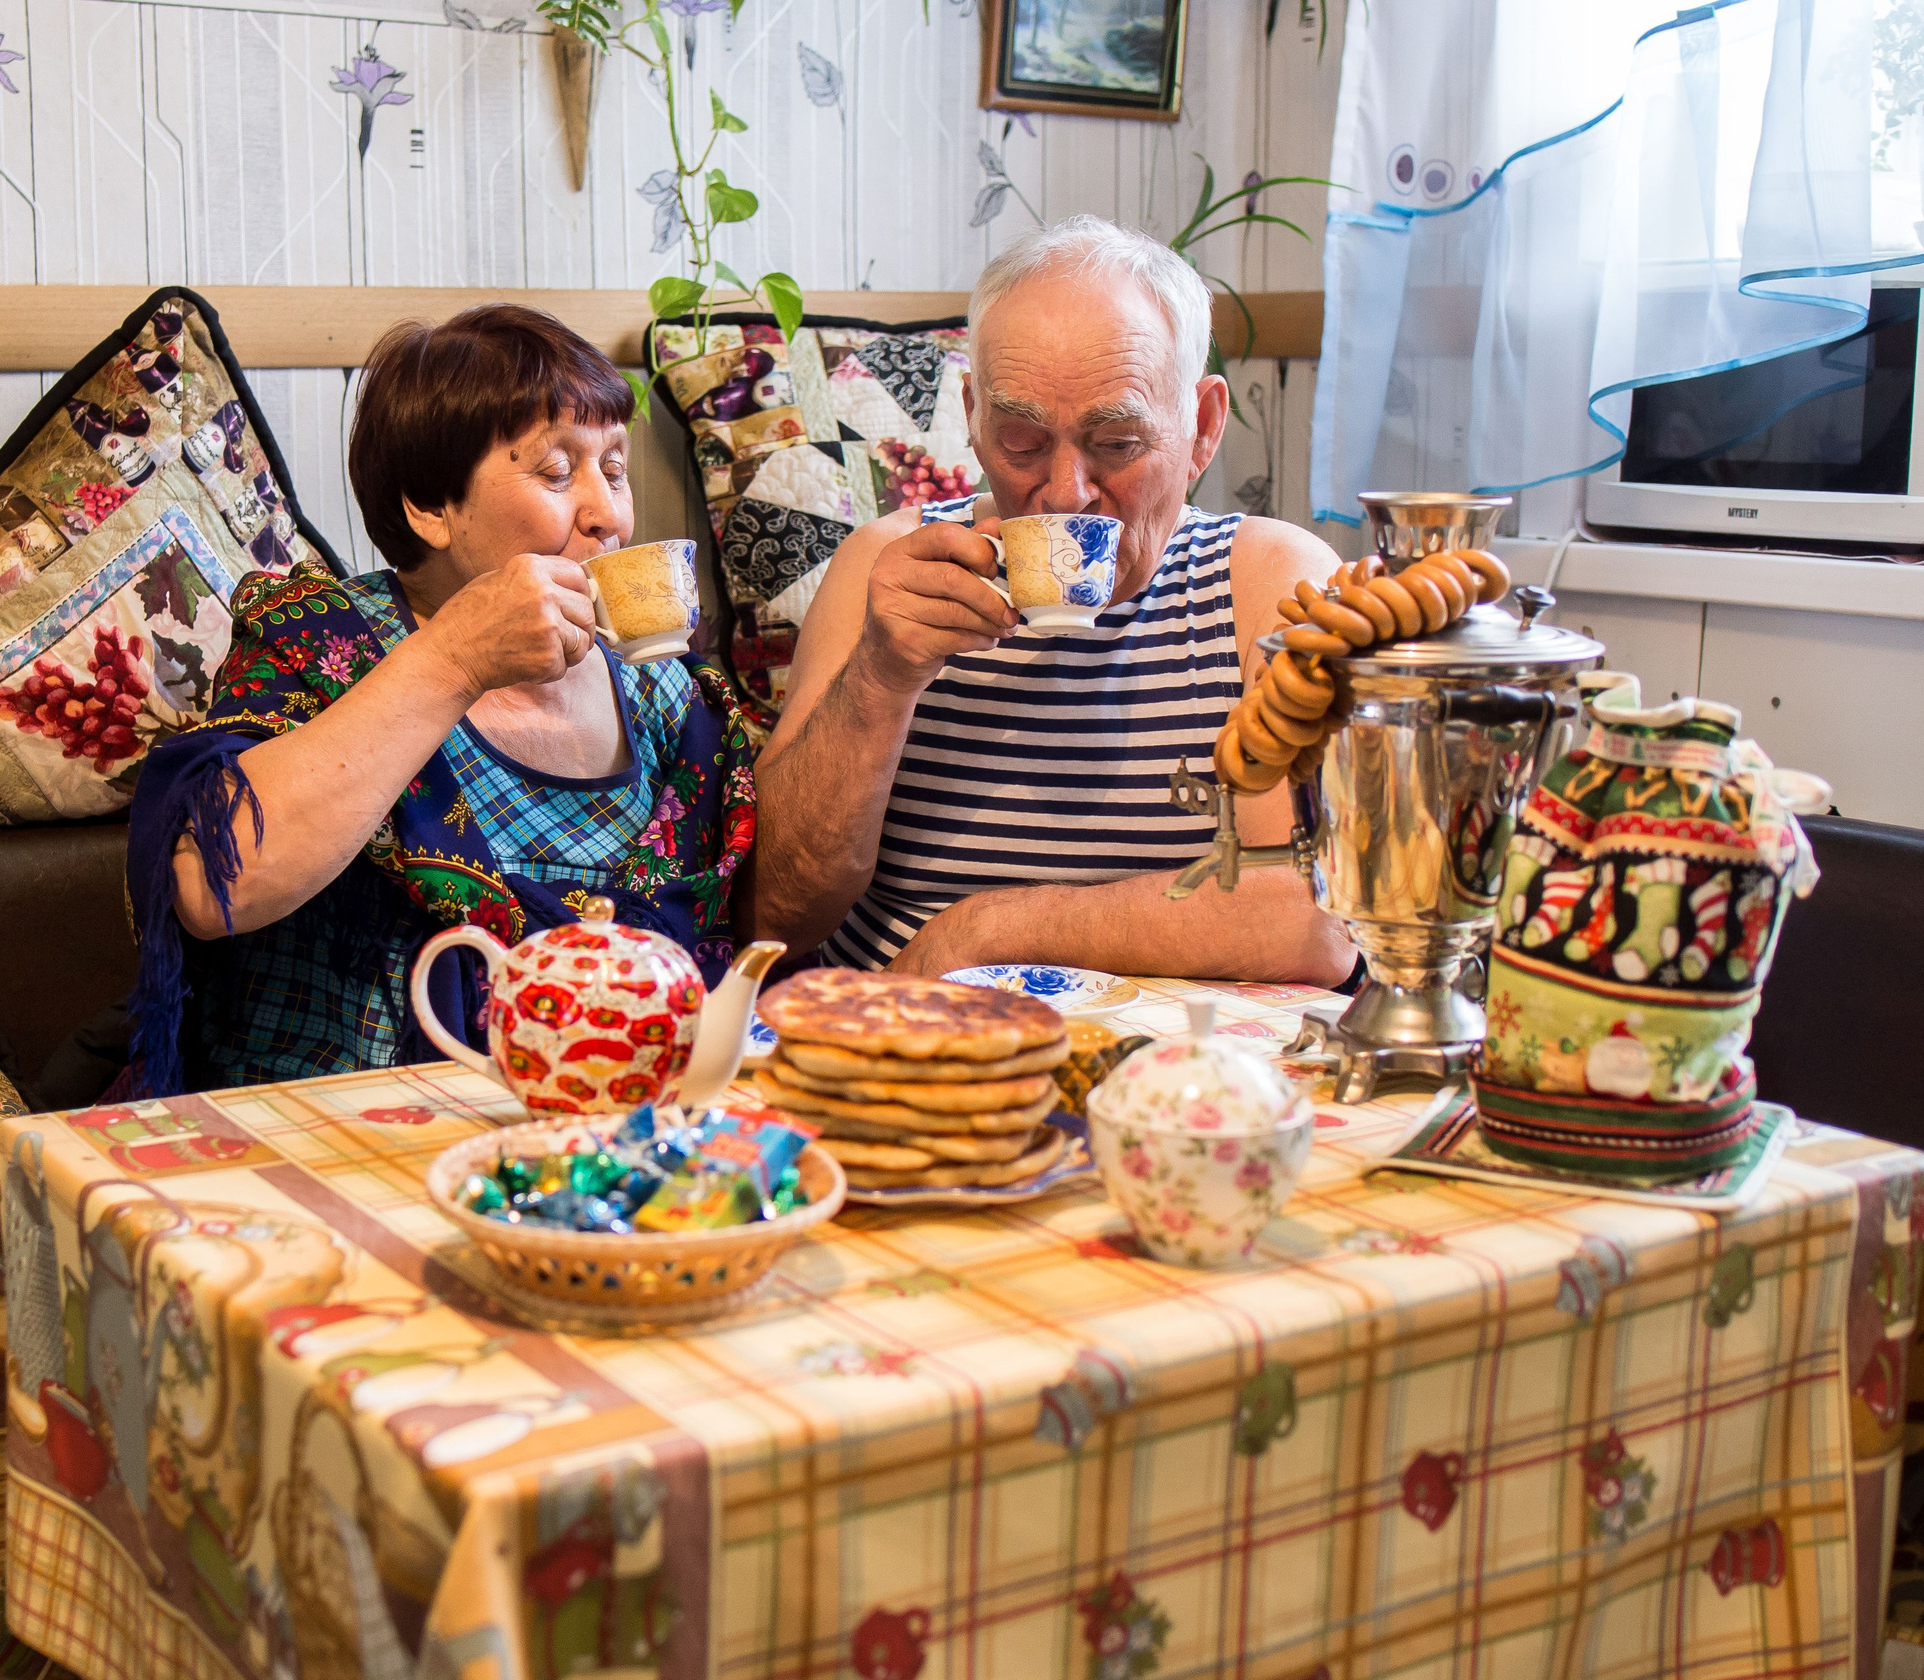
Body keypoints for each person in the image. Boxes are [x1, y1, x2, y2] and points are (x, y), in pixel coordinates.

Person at [126, 305, 755, 1094]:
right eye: (558, 472)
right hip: (337, 1136)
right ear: (430, 505)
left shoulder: (666, 688)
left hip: (603, 1136)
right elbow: (214, 888)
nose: (610, 514)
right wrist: (453, 660)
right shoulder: (326, 642)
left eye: (616, 468)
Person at [752, 216, 1355, 985]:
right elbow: (771, 914)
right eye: (1023, 442)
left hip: (1171, 1076)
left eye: (1117, 444)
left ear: (1203, 427)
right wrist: (878, 678)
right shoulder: (885, 566)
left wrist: (987, 930)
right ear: (972, 415)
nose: (1067, 494)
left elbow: (1319, 919)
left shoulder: (1267, 582)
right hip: (906, 1051)